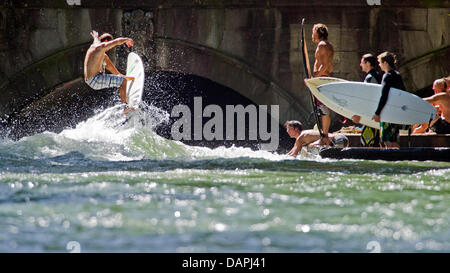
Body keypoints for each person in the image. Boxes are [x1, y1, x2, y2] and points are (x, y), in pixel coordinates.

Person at [84, 30, 134, 114]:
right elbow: (117, 42)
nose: (110, 48)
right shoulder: (101, 46)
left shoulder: (96, 44)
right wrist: (127, 39)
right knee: (123, 81)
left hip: (91, 79)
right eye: (109, 45)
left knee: (105, 58)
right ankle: (125, 108)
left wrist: (96, 36)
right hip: (95, 80)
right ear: (106, 42)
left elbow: (96, 38)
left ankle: (120, 76)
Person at [372, 52, 406, 148]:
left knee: (387, 140)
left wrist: (377, 113)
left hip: (387, 111)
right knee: (394, 139)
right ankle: (398, 159)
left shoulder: (387, 76)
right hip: (395, 111)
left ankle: (391, 159)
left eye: (380, 63)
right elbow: (403, 93)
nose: (379, 65)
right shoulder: (397, 75)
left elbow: (384, 95)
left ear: (385, 63)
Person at [311, 23, 334, 146]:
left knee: (323, 108)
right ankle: (323, 135)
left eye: (313, 33)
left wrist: (316, 77)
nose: (312, 36)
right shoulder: (327, 45)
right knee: (321, 108)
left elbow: (325, 65)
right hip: (322, 78)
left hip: (321, 79)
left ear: (318, 33)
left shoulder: (322, 45)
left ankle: (324, 137)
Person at [352, 54, 382, 146]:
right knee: (375, 143)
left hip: (371, 116)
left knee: (368, 145)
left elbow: (368, 98)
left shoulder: (370, 78)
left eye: (362, 63)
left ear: (368, 63)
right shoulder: (377, 76)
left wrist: (359, 114)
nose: (361, 65)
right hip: (376, 116)